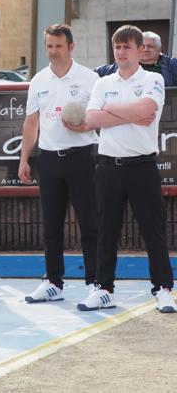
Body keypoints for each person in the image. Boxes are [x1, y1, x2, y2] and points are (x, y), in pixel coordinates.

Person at [65, 25, 176, 313]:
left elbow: (147, 110)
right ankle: (104, 288)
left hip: (142, 165)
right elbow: (91, 118)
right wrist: (131, 112)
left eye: (127, 46)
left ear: (140, 50)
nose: (121, 51)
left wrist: (111, 111)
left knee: (153, 230)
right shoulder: (103, 82)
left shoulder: (153, 79)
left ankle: (163, 288)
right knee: (106, 230)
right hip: (108, 166)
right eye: (117, 46)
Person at [18, 24, 99, 303]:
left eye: (58, 46)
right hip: (49, 160)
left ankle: (95, 282)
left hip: (82, 157)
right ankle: (53, 282)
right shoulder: (38, 80)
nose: (53, 51)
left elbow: (99, 119)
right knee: (50, 225)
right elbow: (31, 122)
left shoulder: (90, 79)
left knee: (89, 223)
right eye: (49, 46)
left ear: (71, 47)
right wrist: (24, 158)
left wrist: (84, 126)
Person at [94, 31, 177, 87]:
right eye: (142, 46)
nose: (145, 49)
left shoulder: (172, 66)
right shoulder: (118, 67)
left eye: (150, 46)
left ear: (159, 49)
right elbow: (91, 75)